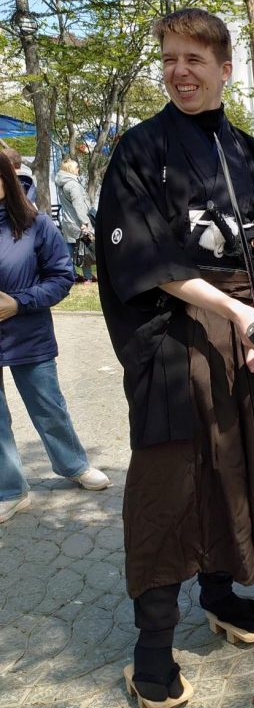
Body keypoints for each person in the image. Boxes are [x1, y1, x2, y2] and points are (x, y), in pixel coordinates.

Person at [94, 9, 254, 707]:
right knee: (170, 486)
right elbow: (145, 258)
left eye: (195, 58)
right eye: (169, 58)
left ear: (225, 69)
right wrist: (239, 315)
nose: (179, 71)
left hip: (250, 333)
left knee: (241, 465)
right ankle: (151, 651)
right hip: (172, 337)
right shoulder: (139, 149)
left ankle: (221, 596)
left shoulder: (253, 154)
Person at [0, 152, 109, 525]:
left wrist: (18, 303)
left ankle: (73, 465)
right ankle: (11, 490)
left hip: (27, 334)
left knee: (47, 405)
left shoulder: (36, 224)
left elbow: (61, 278)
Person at [55, 159, 95, 283]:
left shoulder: (62, 184)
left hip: (67, 222)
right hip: (78, 223)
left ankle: (71, 276)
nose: (79, 169)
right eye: (77, 167)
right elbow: (79, 206)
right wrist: (85, 223)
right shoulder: (73, 185)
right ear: (71, 169)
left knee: (69, 250)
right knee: (84, 250)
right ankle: (88, 277)